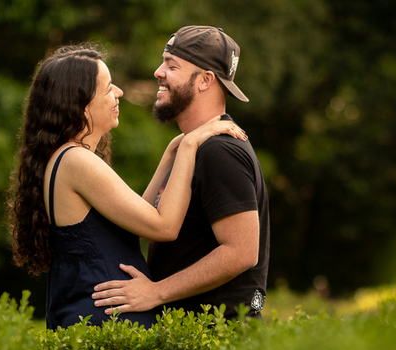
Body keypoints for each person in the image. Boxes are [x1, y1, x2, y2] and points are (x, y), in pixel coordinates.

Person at [7, 44, 245, 329]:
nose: (118, 92)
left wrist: (172, 151)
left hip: (98, 317)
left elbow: (137, 219)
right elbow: (164, 227)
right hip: (104, 322)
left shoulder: (68, 159)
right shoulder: (77, 161)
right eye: (108, 88)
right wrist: (191, 144)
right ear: (80, 102)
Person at [91, 26, 270, 321]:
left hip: (218, 342)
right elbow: (142, 222)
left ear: (205, 80)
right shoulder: (190, 147)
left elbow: (242, 252)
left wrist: (156, 292)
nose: (158, 72)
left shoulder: (219, 152)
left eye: (171, 65)